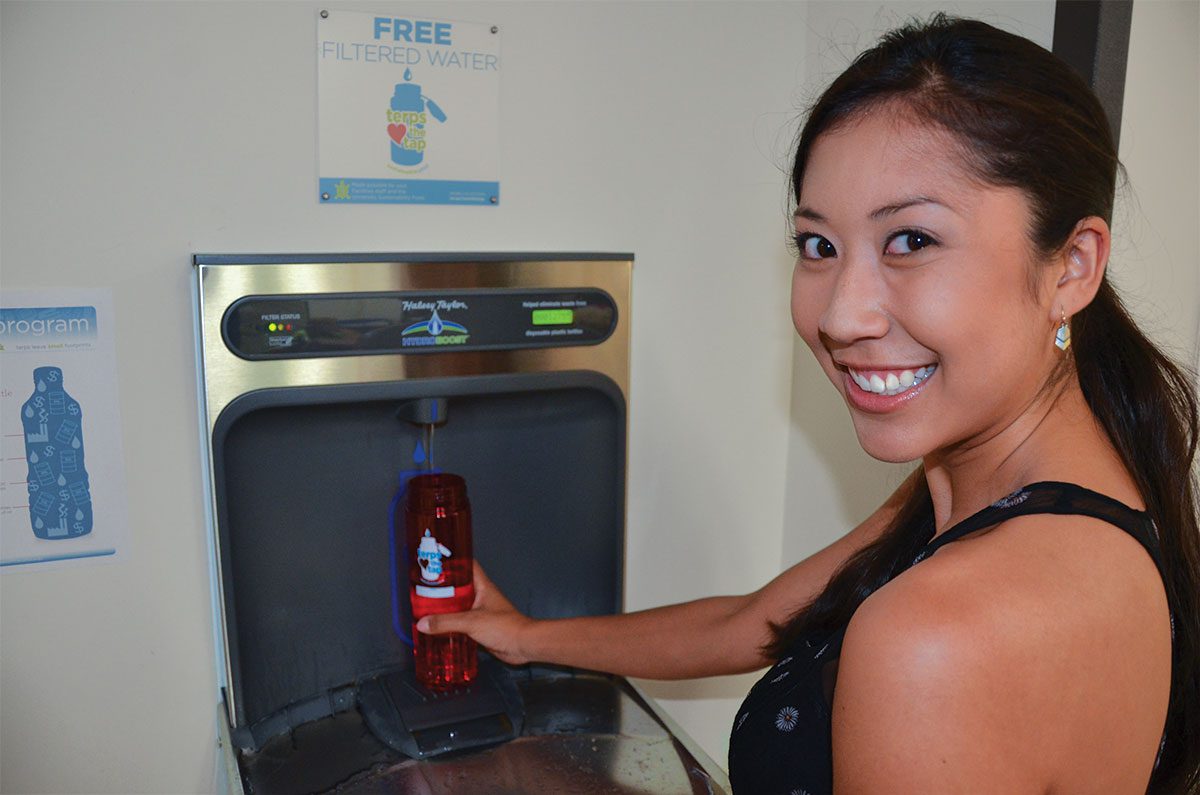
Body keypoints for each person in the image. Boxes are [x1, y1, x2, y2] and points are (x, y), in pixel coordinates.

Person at [417, 14, 1199, 794]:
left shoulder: (938, 632)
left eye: (912, 240)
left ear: (1072, 267)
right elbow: (755, 620)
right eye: (819, 245)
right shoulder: (1026, 490)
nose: (839, 315)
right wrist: (524, 637)